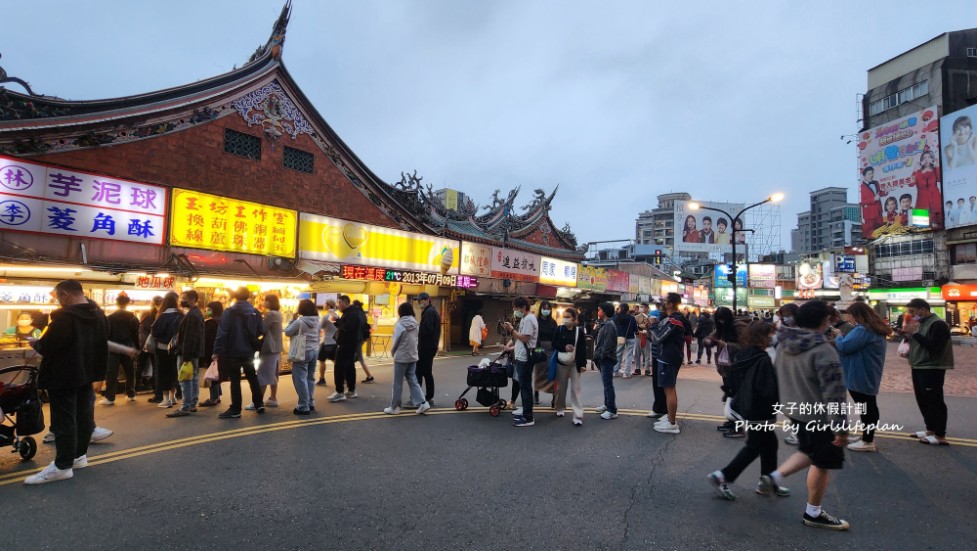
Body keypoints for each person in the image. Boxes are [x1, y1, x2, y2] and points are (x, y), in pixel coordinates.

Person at [760, 300, 850, 531]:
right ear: (825, 321)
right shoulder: (823, 350)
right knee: (821, 462)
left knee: (810, 452)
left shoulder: (784, 343)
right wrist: (841, 429)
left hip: (795, 411)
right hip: (818, 416)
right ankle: (813, 512)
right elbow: (835, 394)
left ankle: (775, 477)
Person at [24, 280, 108, 485]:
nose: (59, 302)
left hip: (63, 376)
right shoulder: (99, 315)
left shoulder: (63, 318)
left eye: (58, 297)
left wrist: (37, 343)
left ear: (65, 295)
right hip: (87, 373)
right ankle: (79, 456)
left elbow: (48, 346)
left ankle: (62, 466)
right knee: (84, 415)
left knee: (64, 420)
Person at [708, 322, 787, 500]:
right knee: (754, 447)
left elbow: (732, 381)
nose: (772, 337)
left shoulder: (744, 354)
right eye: (770, 334)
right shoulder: (763, 359)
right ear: (762, 337)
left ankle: (768, 482)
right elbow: (767, 389)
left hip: (747, 406)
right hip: (761, 410)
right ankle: (722, 476)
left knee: (770, 445)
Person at [834, 302, 890, 452]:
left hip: (861, 372)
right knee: (867, 405)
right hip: (866, 371)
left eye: (849, 314)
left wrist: (838, 336)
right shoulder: (872, 328)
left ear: (856, 315)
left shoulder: (864, 330)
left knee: (866, 406)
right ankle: (866, 437)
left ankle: (867, 440)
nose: (848, 317)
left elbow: (845, 346)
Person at [900, 298, 954, 446]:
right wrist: (906, 335)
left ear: (922, 310)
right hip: (918, 366)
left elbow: (934, 347)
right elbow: (917, 342)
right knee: (922, 399)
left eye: (912, 311)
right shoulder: (919, 323)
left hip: (932, 367)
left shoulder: (938, 324)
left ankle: (940, 435)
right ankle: (930, 429)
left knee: (935, 400)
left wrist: (915, 334)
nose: (910, 315)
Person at [214, 287, 266, 419]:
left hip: (233, 351)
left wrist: (217, 351)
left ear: (235, 297)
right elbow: (261, 330)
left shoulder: (228, 312)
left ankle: (236, 408)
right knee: (252, 376)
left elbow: (222, 333)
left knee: (235, 379)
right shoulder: (255, 312)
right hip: (249, 350)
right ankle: (259, 403)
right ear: (248, 297)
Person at [384, 302, 431, 415]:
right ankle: (423, 403)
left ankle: (395, 407)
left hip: (401, 357)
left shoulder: (400, 325)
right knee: (413, 380)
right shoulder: (415, 324)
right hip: (413, 356)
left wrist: (392, 352)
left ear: (400, 312)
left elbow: (396, 342)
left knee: (397, 383)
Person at [650, 293, 687, 435]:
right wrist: (653, 326)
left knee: (670, 389)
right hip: (666, 357)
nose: (663, 303)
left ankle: (672, 423)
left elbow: (658, 337)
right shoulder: (670, 319)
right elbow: (657, 336)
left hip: (669, 358)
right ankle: (669, 418)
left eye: (665, 301)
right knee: (667, 389)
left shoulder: (674, 320)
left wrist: (653, 324)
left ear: (670, 304)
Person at [167, 290, 205, 417]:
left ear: (193, 299)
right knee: (192, 377)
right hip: (193, 352)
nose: (182, 301)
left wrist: (186, 356)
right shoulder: (196, 313)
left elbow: (190, 337)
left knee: (185, 378)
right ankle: (192, 403)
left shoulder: (192, 315)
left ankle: (186, 406)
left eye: (185, 298)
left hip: (187, 353)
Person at [503, 296, 538, 427]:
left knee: (525, 388)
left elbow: (524, 338)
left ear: (523, 307)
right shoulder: (525, 318)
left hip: (525, 358)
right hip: (521, 357)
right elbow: (519, 339)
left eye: (516, 308)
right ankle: (525, 413)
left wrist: (512, 329)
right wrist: (509, 347)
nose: (514, 310)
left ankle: (528, 417)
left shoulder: (529, 319)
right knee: (524, 387)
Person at [285, 299, 321, 415]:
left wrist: (292, 319)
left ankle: (303, 406)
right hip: (314, 351)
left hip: (302, 352)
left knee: (300, 379)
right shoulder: (317, 321)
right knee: (310, 378)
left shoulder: (299, 322)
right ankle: (310, 403)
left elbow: (287, 332)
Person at [102, 295, 139, 405]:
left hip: (114, 348)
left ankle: (110, 397)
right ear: (128, 303)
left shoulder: (110, 318)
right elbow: (135, 334)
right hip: (128, 347)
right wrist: (137, 347)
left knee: (112, 372)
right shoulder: (133, 317)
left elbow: (106, 334)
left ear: (116, 303)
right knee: (130, 372)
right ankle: (131, 394)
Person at [553, 307, 586, 426]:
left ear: (574, 318)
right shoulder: (559, 329)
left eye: (568, 317)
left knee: (576, 389)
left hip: (575, 363)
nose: (566, 319)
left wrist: (583, 364)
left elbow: (582, 348)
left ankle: (578, 415)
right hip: (561, 362)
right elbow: (554, 344)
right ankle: (560, 407)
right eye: (564, 317)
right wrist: (564, 347)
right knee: (561, 387)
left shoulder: (579, 331)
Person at [327, 295, 363, 402]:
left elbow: (346, 328)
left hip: (346, 344)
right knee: (349, 367)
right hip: (350, 343)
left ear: (346, 303)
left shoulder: (352, 314)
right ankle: (351, 390)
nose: (338, 305)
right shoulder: (350, 313)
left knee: (339, 367)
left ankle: (339, 392)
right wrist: (335, 321)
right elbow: (343, 327)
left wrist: (337, 320)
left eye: (339, 303)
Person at [151, 292, 183, 409]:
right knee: (174, 372)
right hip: (177, 349)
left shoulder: (161, 316)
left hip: (163, 348)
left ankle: (166, 399)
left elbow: (155, 333)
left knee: (163, 373)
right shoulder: (181, 316)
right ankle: (173, 396)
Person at [249, 294, 282, 410]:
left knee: (262, 375)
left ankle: (258, 401)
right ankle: (273, 398)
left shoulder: (271, 314)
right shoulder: (278, 313)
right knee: (272, 374)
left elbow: (262, 328)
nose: (263, 302)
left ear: (270, 302)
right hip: (276, 348)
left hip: (269, 348)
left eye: (266, 300)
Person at [415, 292, 440, 405]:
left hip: (426, 347)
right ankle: (428, 396)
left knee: (420, 372)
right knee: (426, 372)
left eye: (420, 301)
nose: (419, 303)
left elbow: (427, 330)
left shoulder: (429, 312)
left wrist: (417, 330)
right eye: (418, 301)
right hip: (429, 347)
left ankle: (419, 397)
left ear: (427, 300)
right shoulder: (430, 311)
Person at [199, 301, 224, 407]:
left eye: (209, 309)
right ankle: (217, 396)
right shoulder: (223, 322)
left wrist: (204, 355)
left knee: (211, 375)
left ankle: (213, 398)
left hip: (211, 352)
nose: (207, 311)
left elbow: (207, 341)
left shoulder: (209, 323)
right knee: (216, 374)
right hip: (222, 352)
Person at [534, 301, 558, 401]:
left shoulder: (553, 322)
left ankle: (553, 395)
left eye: (548, 309)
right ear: (541, 309)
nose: (546, 310)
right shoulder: (536, 321)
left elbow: (556, 336)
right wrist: (537, 349)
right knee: (539, 371)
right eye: (544, 308)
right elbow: (534, 336)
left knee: (551, 371)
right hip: (539, 347)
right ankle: (536, 392)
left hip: (550, 349)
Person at [911, 149, 942, 225]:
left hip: (935, 199)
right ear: (921, 160)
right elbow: (911, 183)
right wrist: (915, 170)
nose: (926, 160)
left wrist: (937, 166)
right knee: (921, 227)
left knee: (939, 224)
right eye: (924, 158)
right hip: (922, 201)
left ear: (932, 159)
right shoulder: (918, 172)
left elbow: (939, 179)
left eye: (929, 157)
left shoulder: (935, 170)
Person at [352, 300, 375, 383]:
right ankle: (369, 376)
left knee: (359, 358)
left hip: (357, 339)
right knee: (356, 357)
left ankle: (369, 376)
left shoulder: (356, 314)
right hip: (362, 338)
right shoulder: (362, 314)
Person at [316, 300, 338, 386]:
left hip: (326, 342)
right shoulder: (337, 316)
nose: (323, 305)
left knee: (322, 361)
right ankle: (344, 377)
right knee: (335, 361)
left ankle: (322, 379)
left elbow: (319, 327)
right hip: (335, 342)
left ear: (329, 306)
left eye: (325, 304)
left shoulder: (326, 317)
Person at [614, 303, 637, 378]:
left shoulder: (616, 317)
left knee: (618, 354)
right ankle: (626, 373)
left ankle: (615, 371)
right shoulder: (632, 318)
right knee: (629, 355)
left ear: (621, 309)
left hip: (620, 338)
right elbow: (635, 329)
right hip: (630, 338)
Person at [859, 166, 885, 235]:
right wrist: (873, 199)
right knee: (870, 233)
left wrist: (885, 192)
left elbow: (878, 193)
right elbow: (862, 201)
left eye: (872, 173)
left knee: (881, 231)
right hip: (869, 214)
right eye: (869, 174)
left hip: (878, 211)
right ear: (864, 176)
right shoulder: (861, 187)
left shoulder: (876, 183)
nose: (871, 175)